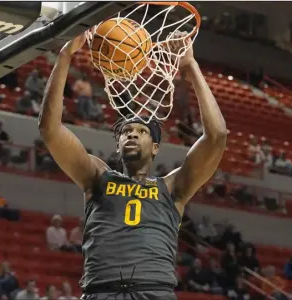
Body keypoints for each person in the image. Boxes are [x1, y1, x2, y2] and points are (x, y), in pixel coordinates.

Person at [39, 30, 227, 300]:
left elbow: (217, 137)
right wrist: (65, 55)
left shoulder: (173, 187)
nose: (132, 134)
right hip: (100, 293)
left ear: (155, 148)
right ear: (117, 145)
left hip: (154, 293)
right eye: (126, 132)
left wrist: (191, 67)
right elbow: (50, 130)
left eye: (141, 131)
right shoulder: (97, 177)